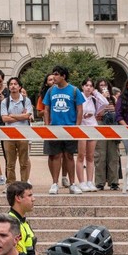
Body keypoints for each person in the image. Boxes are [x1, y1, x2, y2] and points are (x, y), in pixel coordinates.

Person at [40, 66, 81, 195]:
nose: (54, 77)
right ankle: (54, 183)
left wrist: (77, 127)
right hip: (54, 128)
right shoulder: (51, 91)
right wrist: (47, 125)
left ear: (63, 76)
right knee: (56, 155)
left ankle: (73, 184)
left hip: (70, 127)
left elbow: (80, 109)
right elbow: (46, 108)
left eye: (57, 74)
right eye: (53, 74)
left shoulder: (74, 90)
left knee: (69, 156)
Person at [0, 75, 33, 184]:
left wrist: (12, 115)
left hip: (24, 134)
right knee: (10, 163)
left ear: (19, 87)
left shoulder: (26, 100)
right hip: (9, 135)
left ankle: (24, 184)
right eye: (11, 84)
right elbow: (4, 118)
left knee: (24, 162)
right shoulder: (5, 102)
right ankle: (10, 184)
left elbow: (27, 116)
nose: (13, 86)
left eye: (15, 84)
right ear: (8, 87)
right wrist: (20, 116)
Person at [5, 181, 36, 255]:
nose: (33, 199)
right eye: (29, 195)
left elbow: (34, 253)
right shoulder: (11, 224)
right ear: (18, 198)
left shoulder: (23, 222)